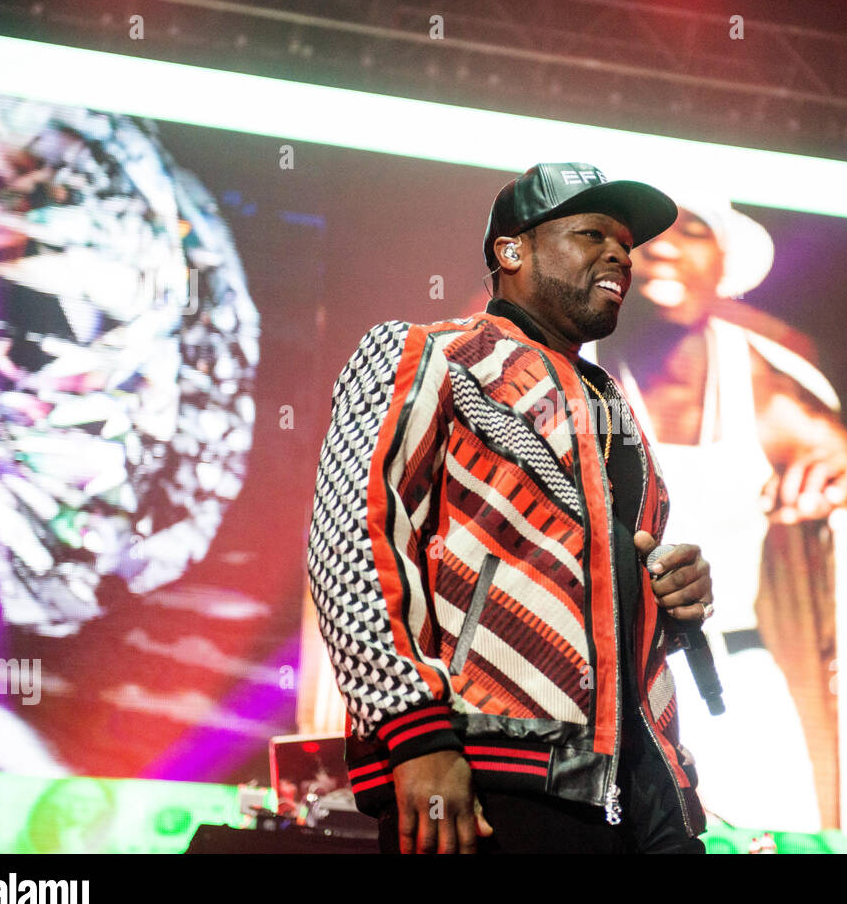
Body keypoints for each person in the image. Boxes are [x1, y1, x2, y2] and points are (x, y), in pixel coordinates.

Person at [306, 162, 717, 853]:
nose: (620, 253)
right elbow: (353, 540)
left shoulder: (616, 413)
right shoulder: (428, 353)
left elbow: (592, 600)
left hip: (644, 795)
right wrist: (414, 738)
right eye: (592, 234)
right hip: (493, 783)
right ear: (512, 250)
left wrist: (675, 597)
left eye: (626, 243)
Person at [589, 192, 847, 836]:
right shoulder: (572, 378)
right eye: (645, 234)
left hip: (733, 691)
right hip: (607, 684)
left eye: (692, 232)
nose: (662, 247)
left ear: (724, 263)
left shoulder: (773, 397)